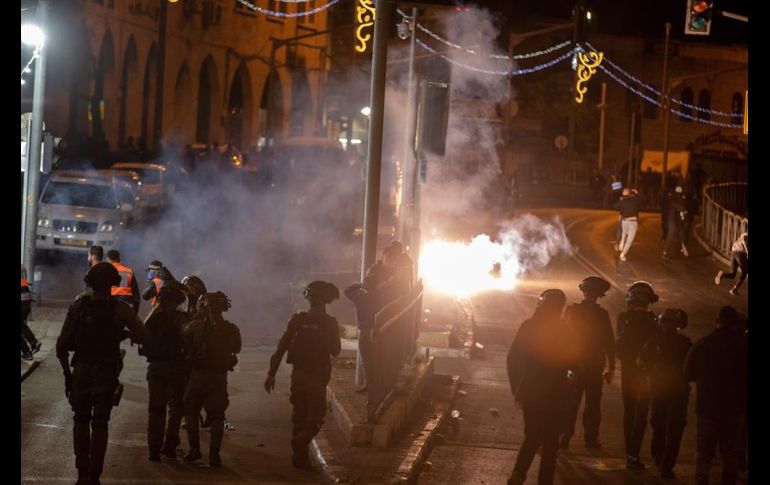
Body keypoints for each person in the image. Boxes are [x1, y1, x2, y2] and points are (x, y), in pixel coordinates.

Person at [56, 263, 147, 485]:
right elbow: (143, 335)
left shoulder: (78, 307)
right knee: (100, 424)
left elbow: (61, 346)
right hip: (106, 372)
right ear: (112, 284)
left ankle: (81, 474)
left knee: (80, 420)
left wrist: (68, 376)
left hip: (82, 372)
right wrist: (121, 335)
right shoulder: (121, 309)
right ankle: (95, 476)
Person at [264, 281, 342, 469]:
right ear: (326, 301)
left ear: (309, 299)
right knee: (316, 417)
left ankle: (300, 457)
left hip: (297, 375)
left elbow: (281, 347)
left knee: (299, 414)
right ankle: (300, 444)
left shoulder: (298, 319)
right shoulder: (330, 323)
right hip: (317, 377)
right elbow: (336, 350)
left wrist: (271, 374)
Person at [507, 289, 578, 485]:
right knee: (551, 442)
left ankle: (518, 473)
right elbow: (575, 363)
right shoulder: (565, 330)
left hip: (531, 393)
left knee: (532, 435)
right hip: (556, 394)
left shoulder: (529, 326)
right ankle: (544, 481)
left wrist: (517, 388)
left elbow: (512, 359)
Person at [684, 306, 748, 485]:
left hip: (707, 407)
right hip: (735, 409)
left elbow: (687, 373)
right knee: (730, 452)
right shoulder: (743, 346)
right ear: (735, 323)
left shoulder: (703, 344)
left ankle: (702, 479)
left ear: (717, 320)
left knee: (704, 452)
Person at [181, 291, 241, 466]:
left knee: (191, 410)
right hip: (219, 377)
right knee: (217, 415)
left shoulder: (196, 325)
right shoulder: (232, 329)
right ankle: (214, 455)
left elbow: (183, 335)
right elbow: (237, 348)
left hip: (198, 375)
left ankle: (194, 450)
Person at [560, 276, 615, 450]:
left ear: (583, 291)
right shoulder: (602, 314)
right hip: (594, 367)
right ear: (600, 295)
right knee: (593, 406)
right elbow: (609, 343)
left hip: (574, 366)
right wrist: (611, 367)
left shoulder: (572, 311)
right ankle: (590, 440)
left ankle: (564, 439)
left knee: (570, 404)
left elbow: (563, 338)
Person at [638, 309, 692, 479]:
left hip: (662, 390)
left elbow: (641, 361)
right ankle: (665, 465)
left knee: (660, 426)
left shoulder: (655, 341)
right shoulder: (683, 342)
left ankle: (661, 461)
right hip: (674, 391)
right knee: (670, 429)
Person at [139, 282, 188, 461]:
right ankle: (169, 444)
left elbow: (141, 337)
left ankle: (153, 448)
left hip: (156, 368)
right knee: (176, 407)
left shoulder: (153, 319)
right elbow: (189, 340)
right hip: (176, 368)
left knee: (156, 408)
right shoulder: (181, 319)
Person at [616, 281, 659, 470]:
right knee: (641, 414)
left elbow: (618, 346)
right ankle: (634, 453)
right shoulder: (654, 321)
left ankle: (629, 451)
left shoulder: (623, 318)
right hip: (646, 375)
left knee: (629, 412)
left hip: (627, 372)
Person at [106, 250, 140, 314]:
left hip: (111, 303)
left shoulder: (106, 271)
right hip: (127, 303)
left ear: (108, 259)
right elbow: (136, 292)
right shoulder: (128, 270)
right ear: (118, 259)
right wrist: (136, 309)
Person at [613, 188, 642, 262]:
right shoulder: (635, 200)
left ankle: (622, 241)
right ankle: (623, 254)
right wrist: (635, 193)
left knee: (623, 233)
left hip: (624, 221)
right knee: (629, 240)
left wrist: (622, 210)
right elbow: (642, 199)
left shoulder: (622, 201)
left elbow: (615, 206)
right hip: (632, 221)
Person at [21, 263, 42, 360]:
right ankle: (33, 342)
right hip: (26, 301)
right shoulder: (22, 266)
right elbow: (23, 283)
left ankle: (27, 352)